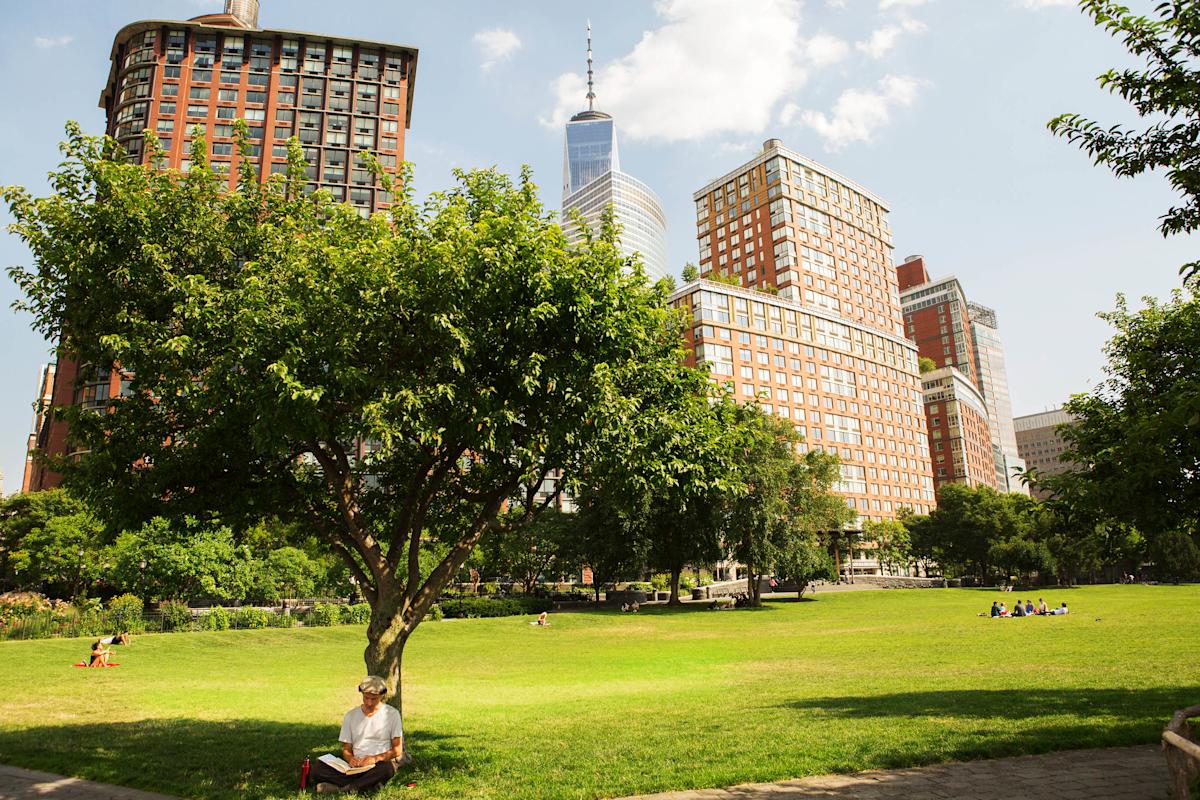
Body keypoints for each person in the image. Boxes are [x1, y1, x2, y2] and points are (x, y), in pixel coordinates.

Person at [311, 676, 406, 794]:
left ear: (382, 696)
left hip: (377, 765)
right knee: (317, 768)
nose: (369, 702)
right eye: (366, 698)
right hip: (355, 767)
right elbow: (346, 749)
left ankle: (344, 789)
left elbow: (397, 750)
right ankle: (367, 785)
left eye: (374, 699)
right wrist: (351, 759)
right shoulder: (351, 716)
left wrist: (374, 759)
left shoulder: (392, 715)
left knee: (388, 768)